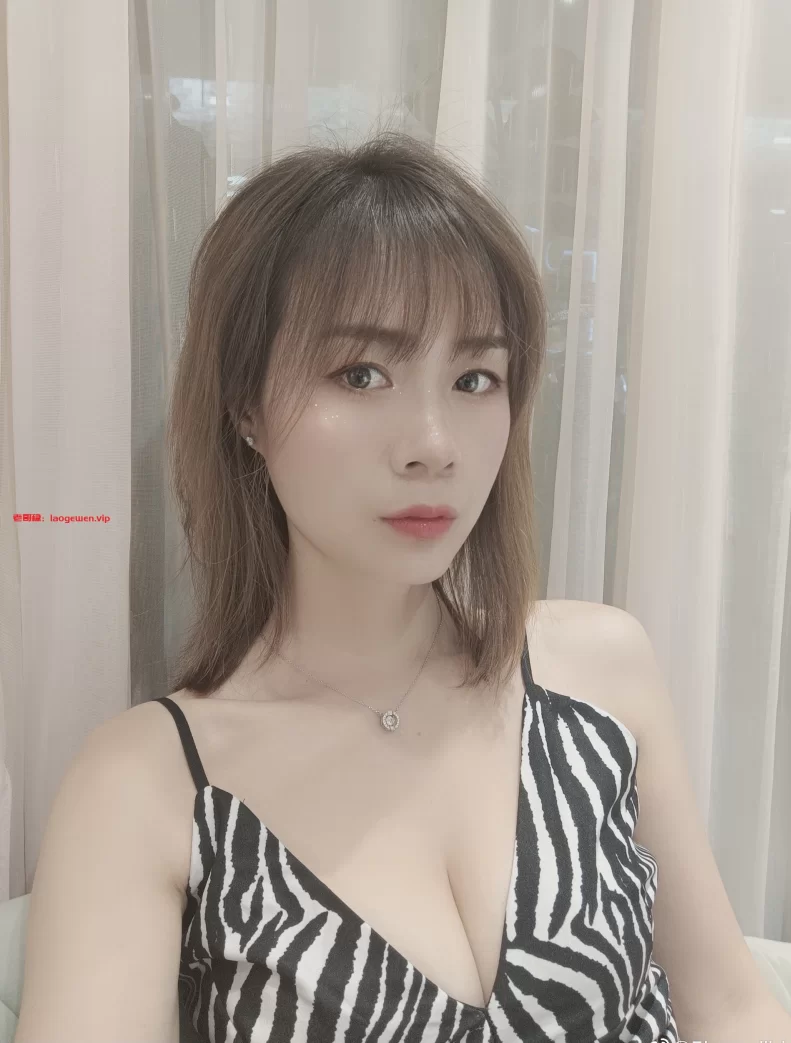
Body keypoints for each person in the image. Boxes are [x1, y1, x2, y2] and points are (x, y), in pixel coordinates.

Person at [14, 131, 678, 1042]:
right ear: (246, 406)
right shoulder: (146, 785)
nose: (433, 444)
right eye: (361, 374)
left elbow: (733, 1007)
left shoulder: (598, 673)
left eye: (475, 377)